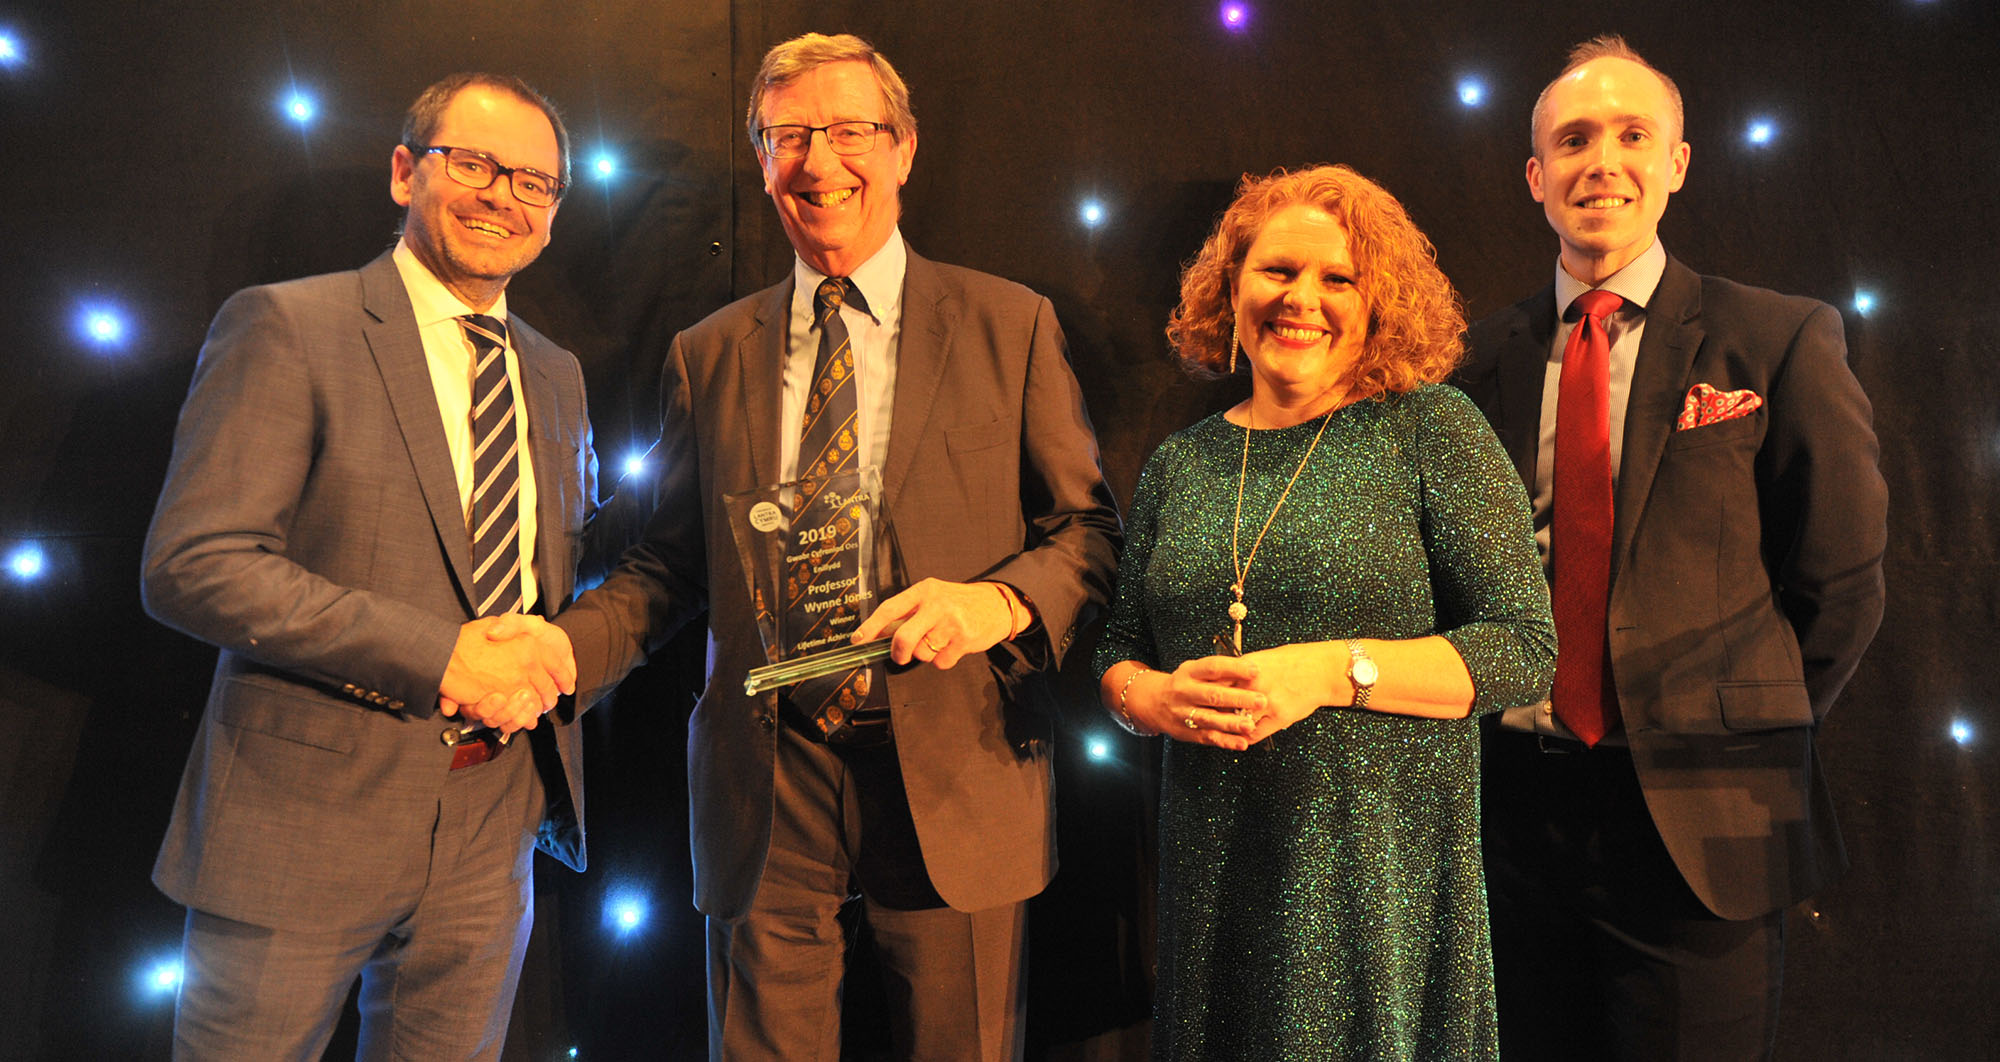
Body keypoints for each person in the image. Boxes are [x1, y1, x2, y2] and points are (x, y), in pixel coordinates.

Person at [546, 32, 1120, 1061]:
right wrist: (555, 654)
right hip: (768, 778)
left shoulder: (1010, 323)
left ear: (904, 149)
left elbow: (1087, 533)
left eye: (851, 131)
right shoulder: (707, 352)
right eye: (787, 137)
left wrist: (994, 605)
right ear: (763, 161)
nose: (819, 163)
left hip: (955, 762)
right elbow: (671, 567)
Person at [141, 73, 596, 1059]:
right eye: (471, 163)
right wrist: (440, 657)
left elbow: (550, 575)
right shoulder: (285, 324)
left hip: (491, 827)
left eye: (535, 182)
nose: (503, 196)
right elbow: (194, 563)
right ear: (404, 172)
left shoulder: (555, 374)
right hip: (296, 827)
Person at [1455, 35, 1889, 1060]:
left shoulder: (1776, 338)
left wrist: (1742, 719)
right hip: (1509, 814)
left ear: (1676, 164)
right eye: (1571, 140)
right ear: (1535, 177)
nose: (1599, 160)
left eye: (1629, 134)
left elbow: (1839, 581)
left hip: (1705, 818)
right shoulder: (1475, 360)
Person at [1095, 164, 1556, 1060]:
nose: (1302, 298)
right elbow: (1118, 648)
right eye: (1276, 271)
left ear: (1379, 302)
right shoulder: (1180, 464)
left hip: (1372, 891)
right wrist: (1149, 700)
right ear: (1231, 290)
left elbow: (1525, 650)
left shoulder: (1431, 428)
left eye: (1337, 278)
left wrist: (1331, 672)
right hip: (1214, 885)